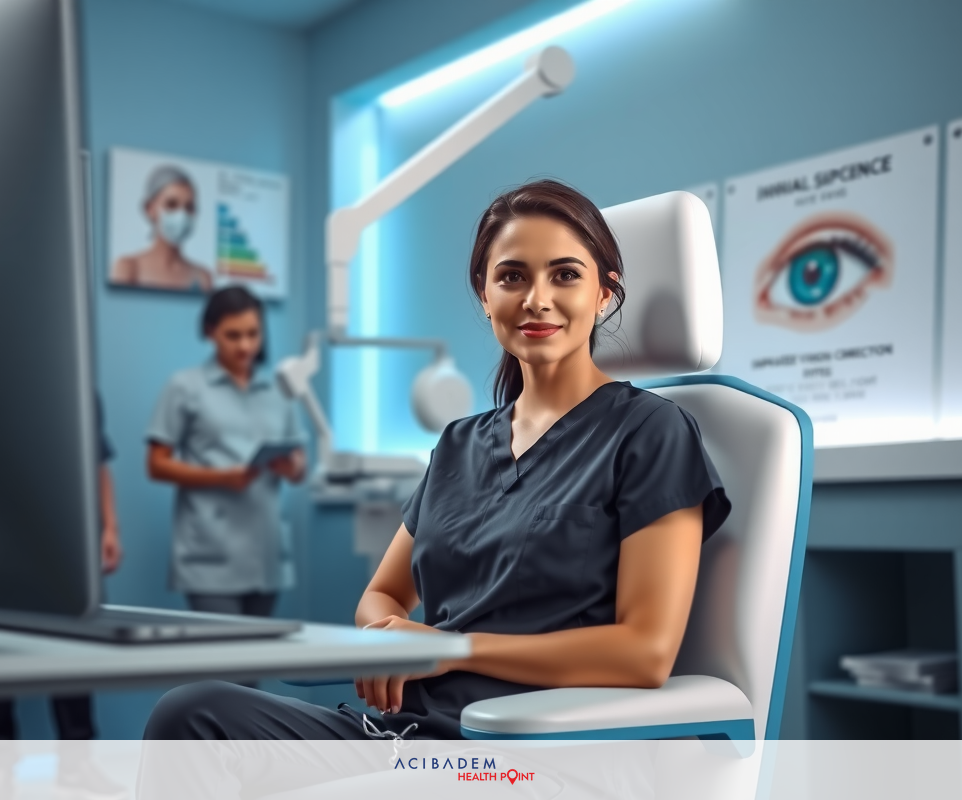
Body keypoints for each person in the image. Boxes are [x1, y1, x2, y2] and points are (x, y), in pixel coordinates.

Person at [140, 180, 730, 753]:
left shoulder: (651, 432)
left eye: (566, 275)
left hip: (531, 753)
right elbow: (381, 595)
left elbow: (645, 653)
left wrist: (453, 649)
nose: (537, 298)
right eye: (512, 276)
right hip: (407, 734)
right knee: (192, 714)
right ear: (484, 294)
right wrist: (388, 640)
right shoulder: (458, 444)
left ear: (605, 293)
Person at [0, 398, 126, 800]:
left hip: (67, 538)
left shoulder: (78, 384)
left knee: (74, 653)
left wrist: (109, 526)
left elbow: (98, 461)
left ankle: (76, 765)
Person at [146, 286, 304, 617]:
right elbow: (156, 465)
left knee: (255, 665)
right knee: (223, 665)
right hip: (210, 558)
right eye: (233, 336)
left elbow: (299, 466)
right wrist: (222, 477)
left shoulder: (278, 390)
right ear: (209, 332)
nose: (245, 346)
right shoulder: (185, 387)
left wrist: (291, 467)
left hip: (267, 556)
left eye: (253, 334)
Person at [110, 164, 213, 293]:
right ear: (149, 209)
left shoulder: (202, 277)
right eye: (171, 205)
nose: (181, 215)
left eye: (189, 207)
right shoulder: (129, 268)